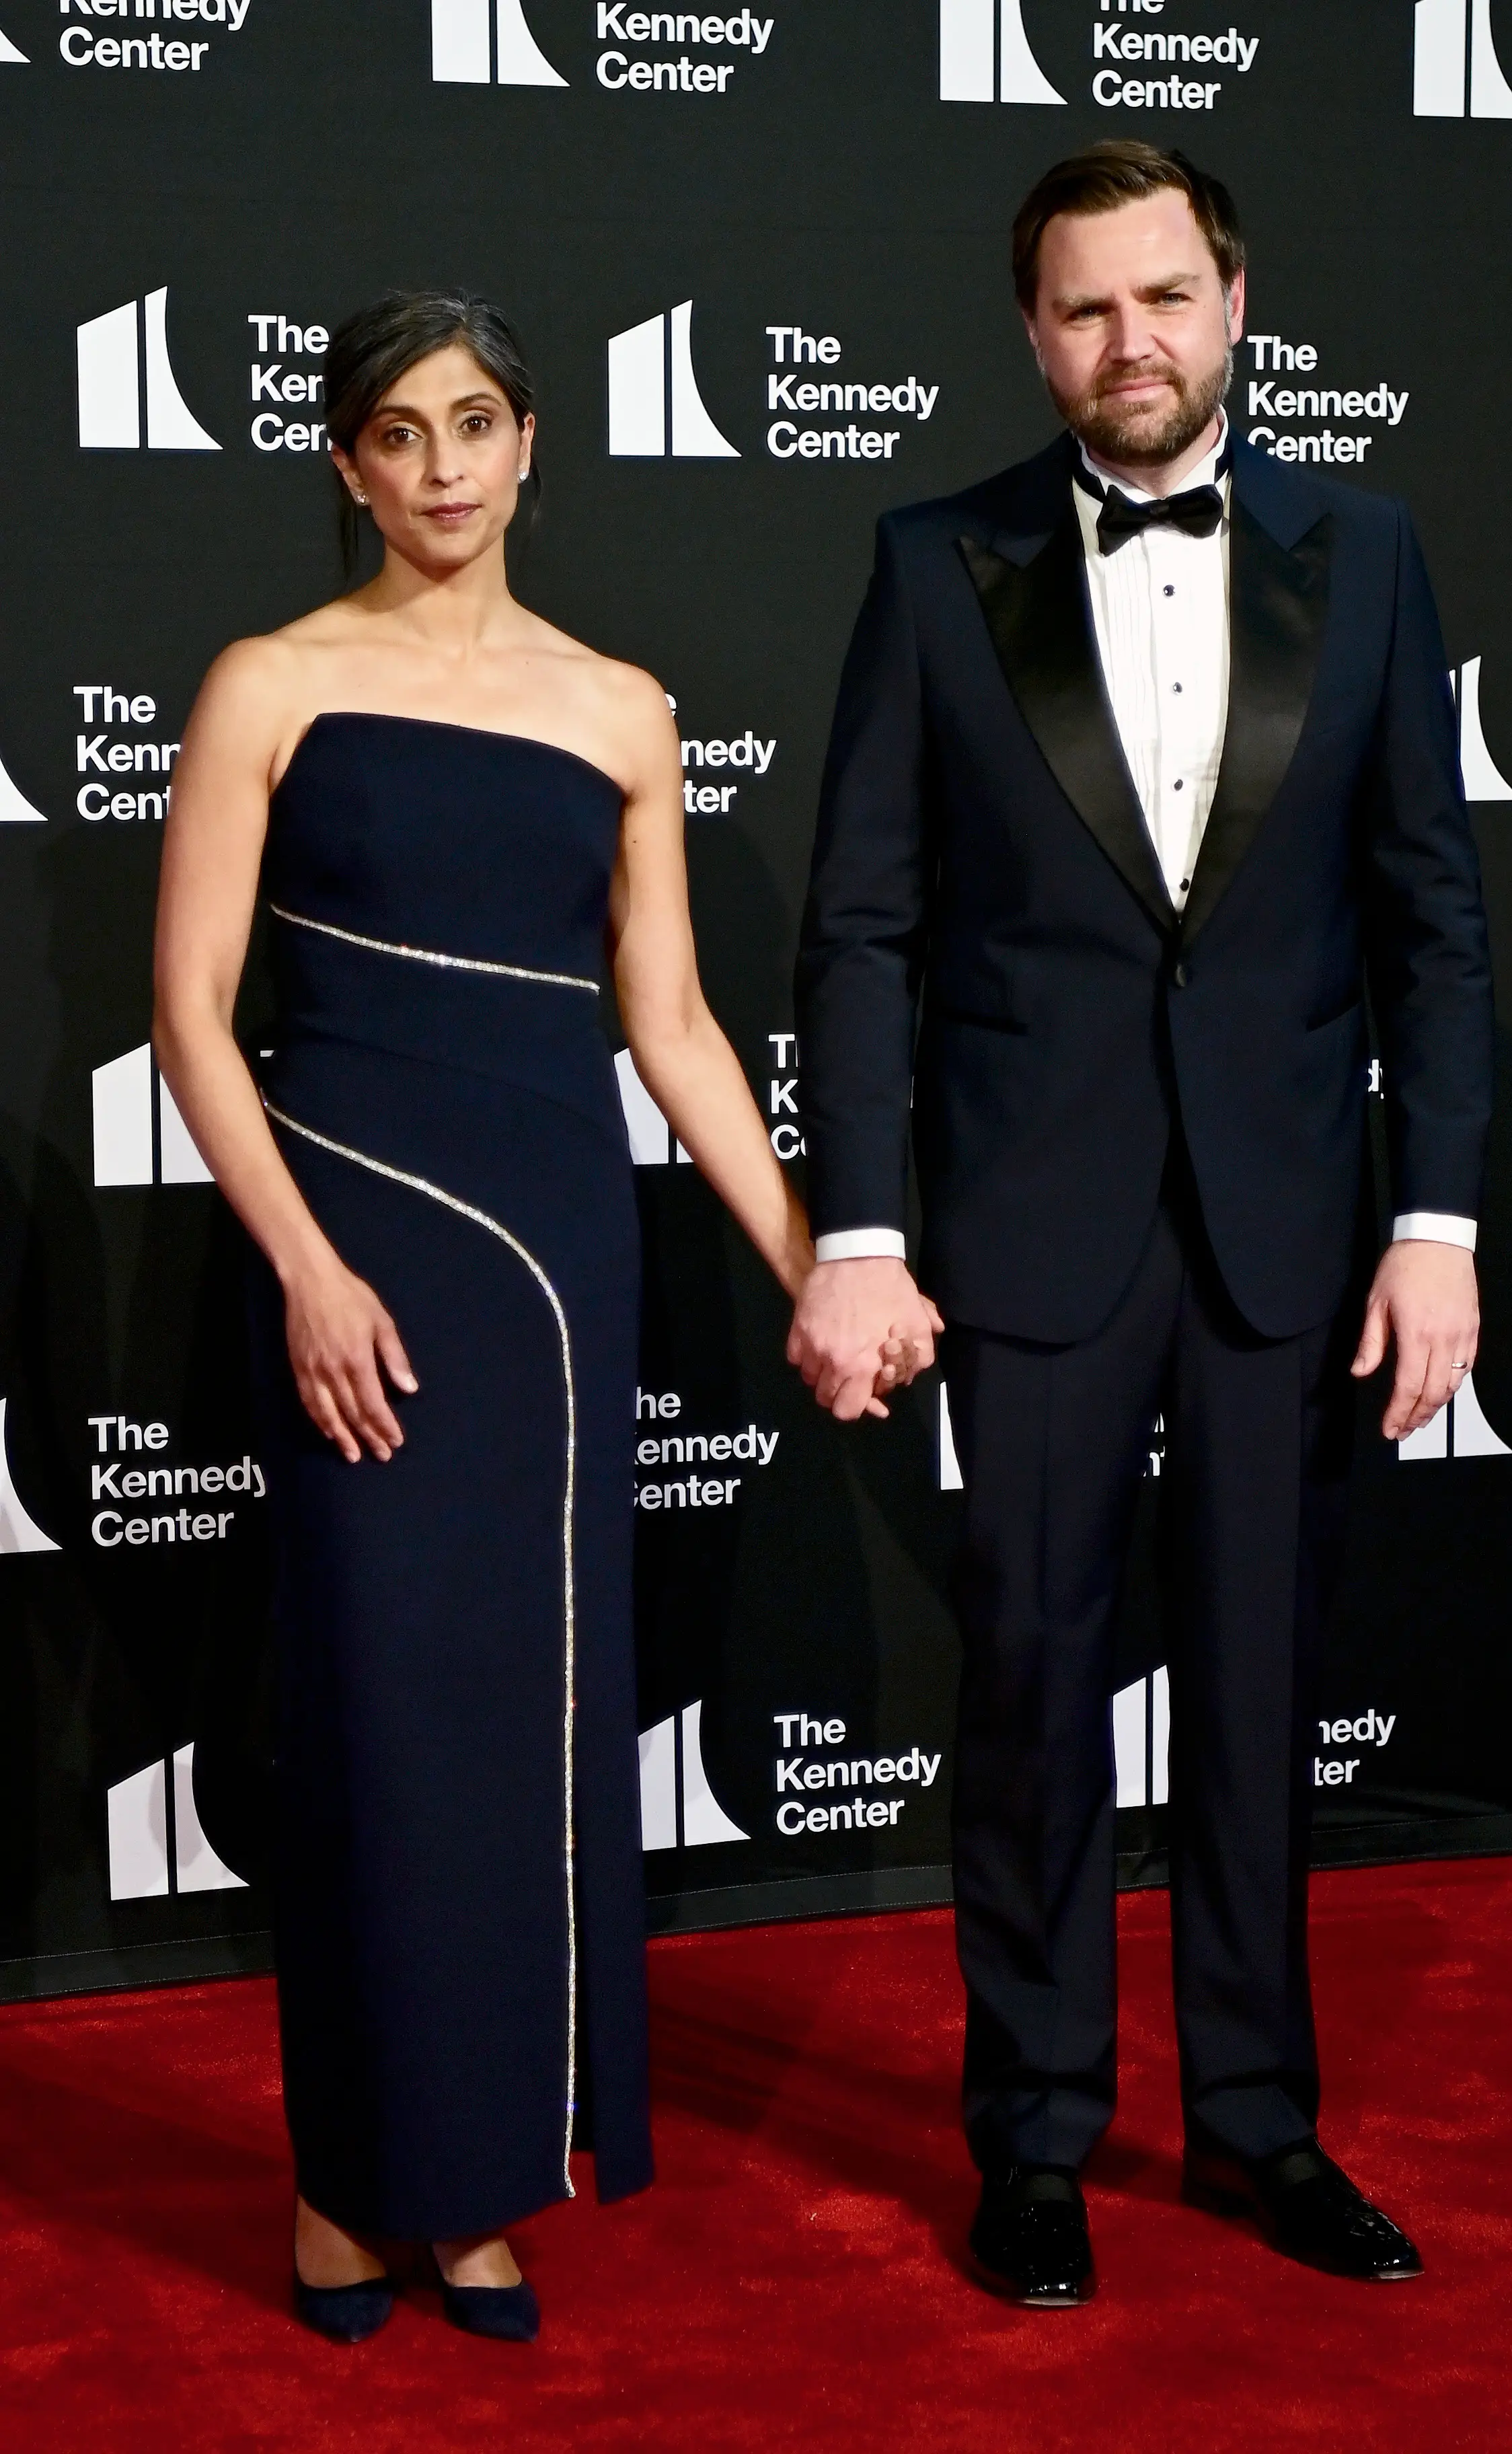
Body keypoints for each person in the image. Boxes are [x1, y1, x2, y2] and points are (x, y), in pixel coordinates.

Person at [788, 143, 1492, 2302]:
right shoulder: (935, 563)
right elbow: (865, 932)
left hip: (1295, 1231)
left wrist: (1441, 1216)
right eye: (1088, 309)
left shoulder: (1364, 555)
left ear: (1236, 301)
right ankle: (1035, 2138)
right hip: (1030, 1225)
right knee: (1029, 1691)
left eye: (1166, 296)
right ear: (1033, 335)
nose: (1134, 342)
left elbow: (1433, 929)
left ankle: (1264, 2127)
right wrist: (867, 1231)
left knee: (1267, 1696)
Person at [152, 291, 841, 2344]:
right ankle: (345, 2183)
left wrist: (820, 1265)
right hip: (351, 1258)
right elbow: (192, 1017)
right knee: (374, 1724)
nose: (441, 466)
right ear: (344, 464)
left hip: (557, 1280)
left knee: (525, 1743)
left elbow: (679, 1026)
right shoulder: (272, 679)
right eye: (395, 431)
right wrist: (306, 1268)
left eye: (473, 423)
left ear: (531, 441)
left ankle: (473, 2185)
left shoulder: (623, 708)